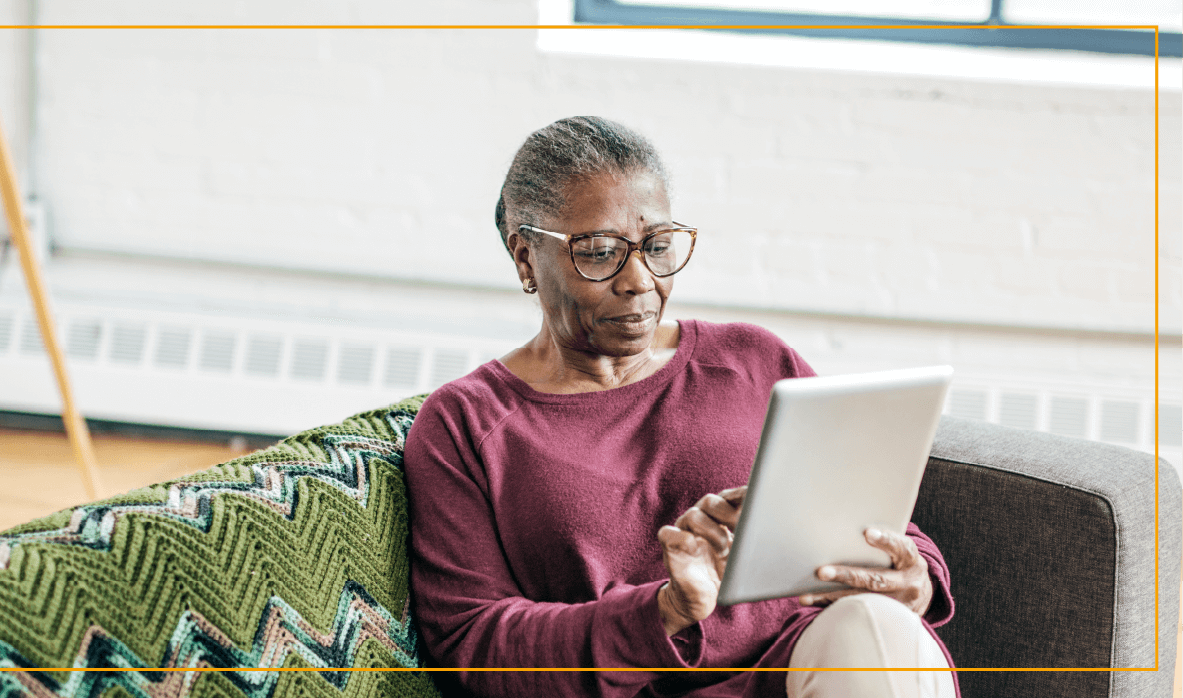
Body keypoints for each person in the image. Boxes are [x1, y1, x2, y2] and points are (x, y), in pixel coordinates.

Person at [403, 116, 959, 698]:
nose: (640, 280)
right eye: (599, 253)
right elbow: (472, 644)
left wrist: (912, 576)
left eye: (658, 246)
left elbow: (870, 526)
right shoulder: (465, 424)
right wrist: (664, 611)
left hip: (809, 667)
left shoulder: (753, 360)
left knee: (876, 624)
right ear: (525, 258)